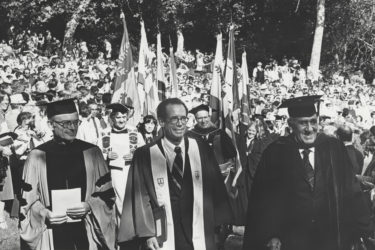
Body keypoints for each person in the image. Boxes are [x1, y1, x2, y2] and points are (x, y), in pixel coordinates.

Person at [243, 95, 371, 250]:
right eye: (303, 123)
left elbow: (351, 190)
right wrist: (271, 233)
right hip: (291, 237)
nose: (310, 129)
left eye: (313, 121)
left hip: (329, 235)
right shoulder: (275, 152)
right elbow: (263, 199)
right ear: (291, 124)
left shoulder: (333, 148)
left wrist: (361, 229)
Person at [118, 98, 233, 250]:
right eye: (174, 119)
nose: (180, 123)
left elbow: (215, 188)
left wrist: (218, 225)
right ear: (161, 121)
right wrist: (148, 233)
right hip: (163, 234)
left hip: (198, 231)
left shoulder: (201, 148)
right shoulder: (145, 155)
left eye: (183, 118)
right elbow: (139, 198)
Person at [20, 98, 116, 250]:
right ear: (51, 124)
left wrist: (89, 205)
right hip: (51, 232)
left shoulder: (92, 152)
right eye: (65, 123)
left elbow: (107, 194)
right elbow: (27, 202)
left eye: (75, 122)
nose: (72, 127)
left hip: (86, 228)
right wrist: (44, 213)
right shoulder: (37, 156)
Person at [101, 103, 145, 226]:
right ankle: (122, 230)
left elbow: (144, 152)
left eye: (124, 117)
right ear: (112, 118)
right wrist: (107, 156)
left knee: (132, 200)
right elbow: (98, 154)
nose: (121, 120)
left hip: (131, 170)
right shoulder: (105, 133)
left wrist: (135, 155)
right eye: (118, 117)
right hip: (115, 172)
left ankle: (133, 228)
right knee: (119, 201)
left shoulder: (135, 132)